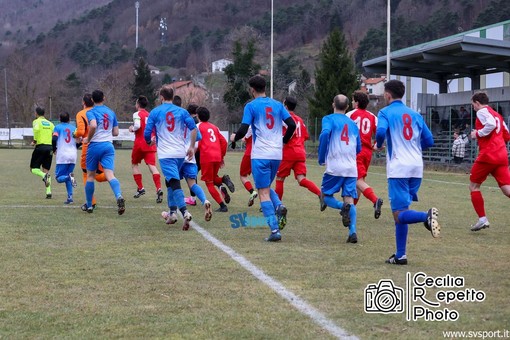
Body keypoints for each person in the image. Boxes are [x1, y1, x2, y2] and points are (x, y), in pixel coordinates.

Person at [374, 79, 440, 265]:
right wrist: (412, 147)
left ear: (387, 94)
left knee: (399, 214)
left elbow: (380, 133)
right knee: (402, 211)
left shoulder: (385, 112)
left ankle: (426, 216)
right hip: (416, 167)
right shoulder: (415, 114)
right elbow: (429, 141)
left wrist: (379, 145)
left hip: (399, 168)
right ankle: (400, 255)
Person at [231, 75, 296, 242]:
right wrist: (283, 141)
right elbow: (292, 125)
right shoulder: (277, 105)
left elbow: (244, 128)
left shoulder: (251, 106)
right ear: (264, 88)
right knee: (265, 187)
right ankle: (279, 206)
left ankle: (275, 230)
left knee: (263, 192)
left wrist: (234, 138)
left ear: (252, 89)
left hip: (260, 153)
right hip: (276, 154)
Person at [144, 84, 197, 230]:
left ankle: (184, 212)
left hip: (166, 154)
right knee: (169, 182)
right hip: (180, 153)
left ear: (161, 97)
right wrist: (191, 147)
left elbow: (147, 133)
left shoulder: (155, 112)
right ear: (172, 97)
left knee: (173, 182)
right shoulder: (182, 111)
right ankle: (172, 213)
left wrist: (149, 141)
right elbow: (193, 128)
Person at [318, 95, 361, 244]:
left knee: (325, 196)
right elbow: (359, 148)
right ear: (347, 107)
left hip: (335, 166)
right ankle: (352, 231)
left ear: (333, 105)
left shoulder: (328, 119)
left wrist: (321, 157)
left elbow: (324, 134)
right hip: (351, 167)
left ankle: (342, 207)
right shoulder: (353, 124)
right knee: (350, 199)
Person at [468, 92, 510, 231]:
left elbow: (490, 124)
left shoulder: (482, 111)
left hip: (488, 155)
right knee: (506, 189)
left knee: (474, 186)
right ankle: (482, 219)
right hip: (501, 154)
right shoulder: (497, 114)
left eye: (473, 104)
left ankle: (482, 219)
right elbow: (507, 135)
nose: (473, 107)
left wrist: (477, 134)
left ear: (477, 102)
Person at [83, 90, 125, 215]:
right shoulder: (111, 112)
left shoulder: (91, 112)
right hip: (108, 145)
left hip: (95, 145)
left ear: (92, 100)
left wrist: (88, 139)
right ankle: (118, 196)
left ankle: (89, 205)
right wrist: (106, 133)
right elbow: (116, 132)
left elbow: (94, 125)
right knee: (110, 174)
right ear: (104, 98)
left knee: (90, 175)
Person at [275, 96, 321, 202]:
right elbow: (305, 136)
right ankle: (319, 193)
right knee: (301, 179)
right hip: (300, 152)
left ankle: (278, 205)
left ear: (285, 105)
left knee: (280, 179)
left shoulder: (284, 118)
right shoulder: (300, 119)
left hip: (288, 151)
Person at [346, 90, 383, 218]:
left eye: (352, 100)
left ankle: (375, 200)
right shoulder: (373, 117)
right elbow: (380, 133)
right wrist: (377, 145)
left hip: (355, 151)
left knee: (357, 180)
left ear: (356, 102)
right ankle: (352, 210)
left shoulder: (350, 115)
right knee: (360, 182)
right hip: (367, 152)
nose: (351, 102)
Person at [196, 106, 234, 212]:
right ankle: (223, 179)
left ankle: (222, 206)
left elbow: (196, 143)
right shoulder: (214, 127)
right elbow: (224, 142)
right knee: (213, 179)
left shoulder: (198, 126)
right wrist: (221, 156)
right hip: (217, 156)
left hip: (206, 157)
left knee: (209, 183)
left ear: (198, 116)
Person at [178, 108, 212, 221]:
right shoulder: (193, 124)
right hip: (190, 156)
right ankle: (205, 200)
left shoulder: (176, 123)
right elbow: (199, 137)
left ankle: (173, 212)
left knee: (173, 184)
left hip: (177, 156)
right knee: (192, 184)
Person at [75, 93, 107, 210]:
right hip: (101, 144)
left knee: (87, 174)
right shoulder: (98, 111)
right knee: (98, 174)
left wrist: (75, 134)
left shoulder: (81, 113)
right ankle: (111, 178)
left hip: (88, 146)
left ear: (83, 102)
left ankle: (91, 202)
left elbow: (80, 131)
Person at [128, 95, 163, 203]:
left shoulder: (137, 114)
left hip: (140, 143)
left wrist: (132, 128)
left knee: (134, 164)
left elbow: (137, 125)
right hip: (150, 144)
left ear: (138, 104)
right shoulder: (150, 114)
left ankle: (141, 188)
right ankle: (159, 188)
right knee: (152, 167)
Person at [52, 112, 78, 204]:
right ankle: (70, 198)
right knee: (68, 174)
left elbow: (54, 139)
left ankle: (69, 177)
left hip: (63, 155)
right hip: (73, 155)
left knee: (58, 178)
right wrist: (74, 148)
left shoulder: (57, 127)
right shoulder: (74, 128)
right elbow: (79, 141)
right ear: (69, 119)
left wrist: (54, 149)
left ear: (59, 119)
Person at [230, 126, 258, 207]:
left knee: (243, 176)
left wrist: (235, 137)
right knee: (261, 180)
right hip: (262, 154)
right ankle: (266, 203)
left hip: (250, 154)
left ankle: (252, 192)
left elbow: (244, 139)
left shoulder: (250, 126)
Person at [30, 107, 55, 199]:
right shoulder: (51, 124)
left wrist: (35, 141)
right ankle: (48, 192)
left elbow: (36, 130)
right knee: (46, 169)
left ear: (36, 113)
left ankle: (43, 175)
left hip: (40, 147)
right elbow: (54, 135)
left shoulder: (36, 122)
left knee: (33, 169)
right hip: (49, 148)